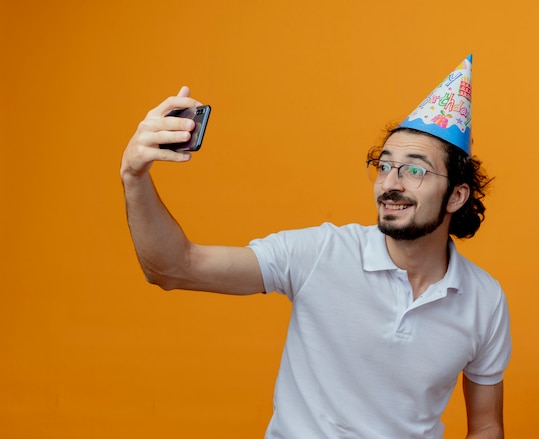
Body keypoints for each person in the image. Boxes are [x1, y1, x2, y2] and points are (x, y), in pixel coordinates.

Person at [120, 55, 511, 439]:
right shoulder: (321, 253)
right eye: (384, 165)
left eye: (414, 170)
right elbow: (174, 268)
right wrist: (134, 176)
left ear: (457, 196)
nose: (391, 183)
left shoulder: (484, 299)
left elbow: (487, 426)